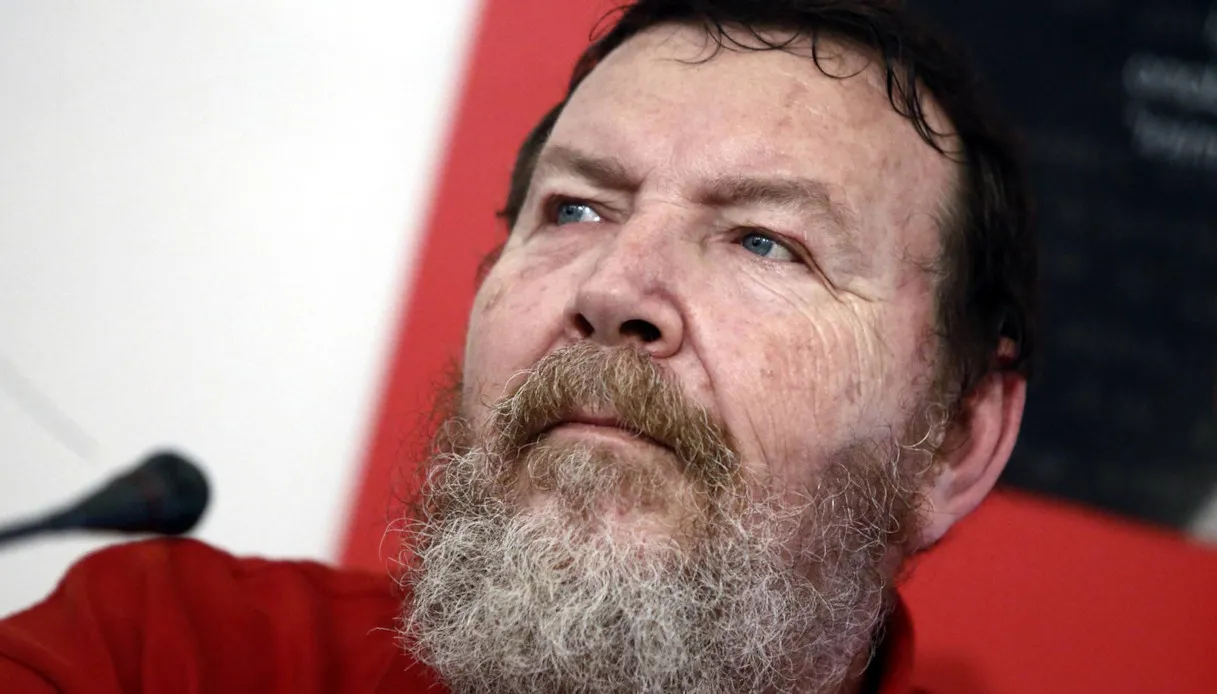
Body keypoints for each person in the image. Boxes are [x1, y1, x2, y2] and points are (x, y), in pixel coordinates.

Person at [0, 1, 1036, 692]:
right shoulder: (164, 651)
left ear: (955, 441)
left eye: (764, 240)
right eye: (576, 209)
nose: (613, 288)